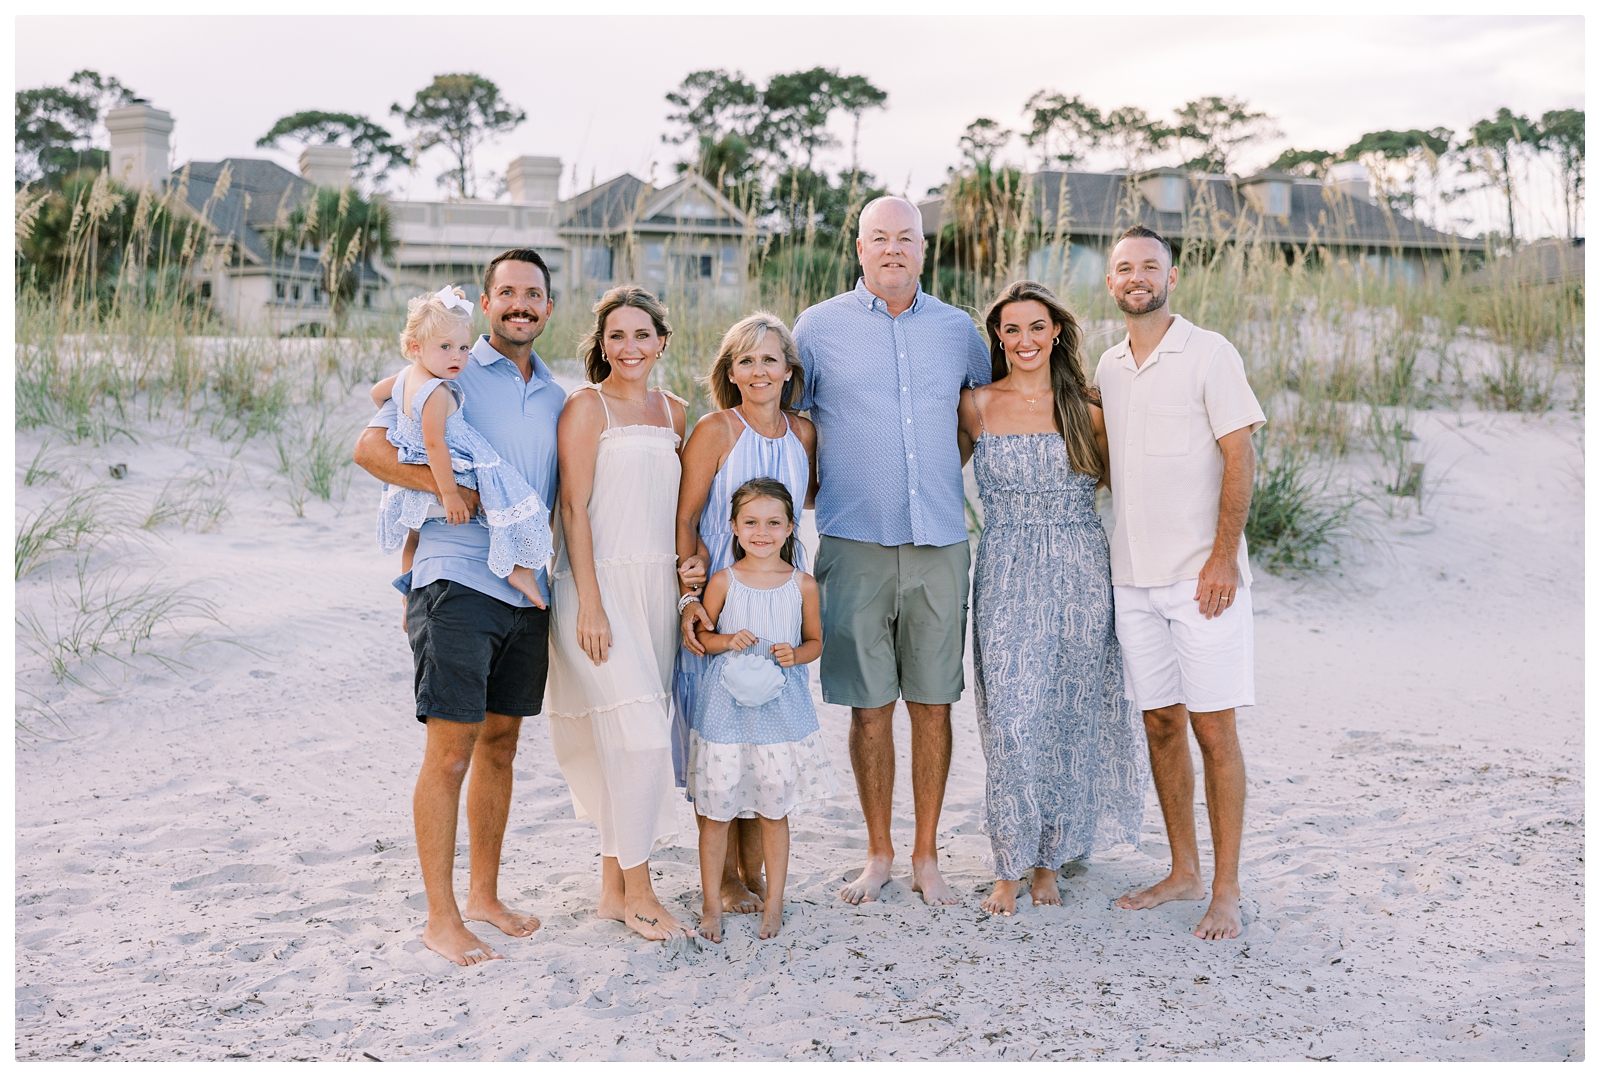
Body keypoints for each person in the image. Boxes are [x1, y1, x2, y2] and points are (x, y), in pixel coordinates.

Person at [352, 249, 564, 966]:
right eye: (507, 292)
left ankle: (484, 896)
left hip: (526, 591)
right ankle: (440, 917)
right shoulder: (451, 364)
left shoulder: (559, 394)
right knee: (449, 752)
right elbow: (368, 447)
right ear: (486, 300)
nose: (520, 304)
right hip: (455, 582)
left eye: (533, 294)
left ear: (548, 307)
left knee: (502, 744)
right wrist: (443, 490)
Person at [793, 196, 992, 906]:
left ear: (923, 249)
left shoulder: (959, 330)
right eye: (879, 238)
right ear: (858, 247)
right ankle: (878, 852)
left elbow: (976, 418)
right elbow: (789, 417)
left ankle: (926, 856)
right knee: (869, 706)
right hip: (853, 540)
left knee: (933, 703)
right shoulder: (816, 329)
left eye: (905, 238)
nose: (892, 249)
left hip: (941, 541)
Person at [1095, 225, 1265, 941]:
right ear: (1112, 283)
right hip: (1131, 579)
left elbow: (1240, 455)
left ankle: (1225, 890)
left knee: (1213, 729)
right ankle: (1183, 870)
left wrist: (1223, 556)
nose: (1138, 277)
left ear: (1172, 277)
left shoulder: (1209, 352)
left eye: (1150, 267)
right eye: (1124, 268)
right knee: (1160, 724)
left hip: (1203, 580)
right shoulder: (1106, 366)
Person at [956, 280, 1148, 917]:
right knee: (1012, 718)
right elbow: (934, 479)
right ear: (998, 339)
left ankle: (1049, 861)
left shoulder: (1088, 411)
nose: (1024, 340)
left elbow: (1136, 493)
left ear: (1056, 332)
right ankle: (1008, 865)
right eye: (1011, 330)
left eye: (1035, 328)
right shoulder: (976, 405)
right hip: (1005, 569)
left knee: (1067, 718)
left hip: (1081, 573)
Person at [546, 285, 693, 943]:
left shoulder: (678, 413)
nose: (628, 347)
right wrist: (592, 604)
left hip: (657, 591)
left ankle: (611, 888)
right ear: (600, 345)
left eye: (642, 334)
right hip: (595, 590)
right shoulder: (586, 407)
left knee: (628, 739)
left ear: (662, 341)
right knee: (641, 738)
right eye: (616, 336)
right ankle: (642, 892)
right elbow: (573, 509)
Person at [674, 312, 816, 917]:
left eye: (770, 359)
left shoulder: (805, 434)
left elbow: (797, 509)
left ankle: (757, 871)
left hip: (781, 601)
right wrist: (689, 593)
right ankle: (728, 877)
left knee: (770, 740)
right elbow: (685, 517)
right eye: (746, 360)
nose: (759, 371)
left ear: (789, 369)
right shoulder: (714, 430)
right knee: (725, 739)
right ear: (730, 373)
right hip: (723, 600)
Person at [687, 478, 836, 943]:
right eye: (750, 522)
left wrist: (798, 652)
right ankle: (712, 904)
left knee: (774, 810)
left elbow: (816, 642)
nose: (762, 532)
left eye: (773, 523)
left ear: (791, 528)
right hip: (725, 714)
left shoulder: (803, 585)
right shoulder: (724, 580)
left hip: (779, 715)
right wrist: (726, 640)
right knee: (717, 812)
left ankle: (774, 904)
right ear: (733, 528)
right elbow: (701, 639)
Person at [372, 285, 553, 609]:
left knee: (414, 539)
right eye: (445, 347)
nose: (457, 356)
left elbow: (377, 394)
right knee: (512, 499)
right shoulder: (438, 391)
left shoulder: (407, 378)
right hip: (450, 467)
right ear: (416, 346)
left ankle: (407, 599)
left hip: (415, 460)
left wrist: (404, 420)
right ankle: (520, 568)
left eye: (464, 347)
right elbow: (435, 443)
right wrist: (450, 493)